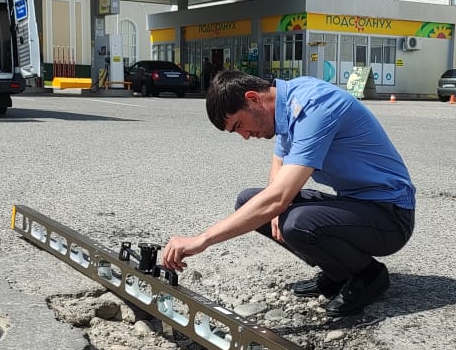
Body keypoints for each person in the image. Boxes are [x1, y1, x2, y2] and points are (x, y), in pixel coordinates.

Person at [160, 70, 416, 317]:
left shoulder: (313, 105)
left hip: (391, 215)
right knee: (249, 201)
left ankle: (368, 275)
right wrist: (274, 211)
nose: (245, 136)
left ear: (253, 99)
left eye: (240, 126)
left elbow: (278, 196)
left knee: (297, 223)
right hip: (355, 203)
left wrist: (202, 239)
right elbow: (279, 164)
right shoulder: (286, 103)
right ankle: (338, 271)